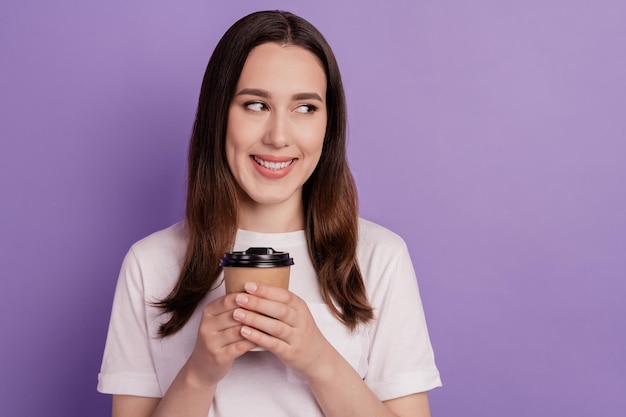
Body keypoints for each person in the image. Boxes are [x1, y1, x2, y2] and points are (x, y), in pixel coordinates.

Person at [97, 10, 442, 417]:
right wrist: (200, 372)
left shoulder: (379, 257)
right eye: (256, 104)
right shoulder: (149, 263)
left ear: (329, 125)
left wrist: (318, 359)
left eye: (305, 108)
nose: (278, 136)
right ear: (218, 115)